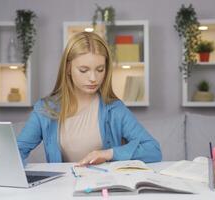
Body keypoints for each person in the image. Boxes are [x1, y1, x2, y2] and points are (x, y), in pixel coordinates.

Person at [17, 32, 161, 166]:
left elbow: (153, 150)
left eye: (100, 70)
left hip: (104, 188)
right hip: (61, 190)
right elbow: (17, 151)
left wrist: (108, 154)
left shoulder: (114, 109)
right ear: (68, 68)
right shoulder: (45, 109)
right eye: (83, 70)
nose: (93, 78)